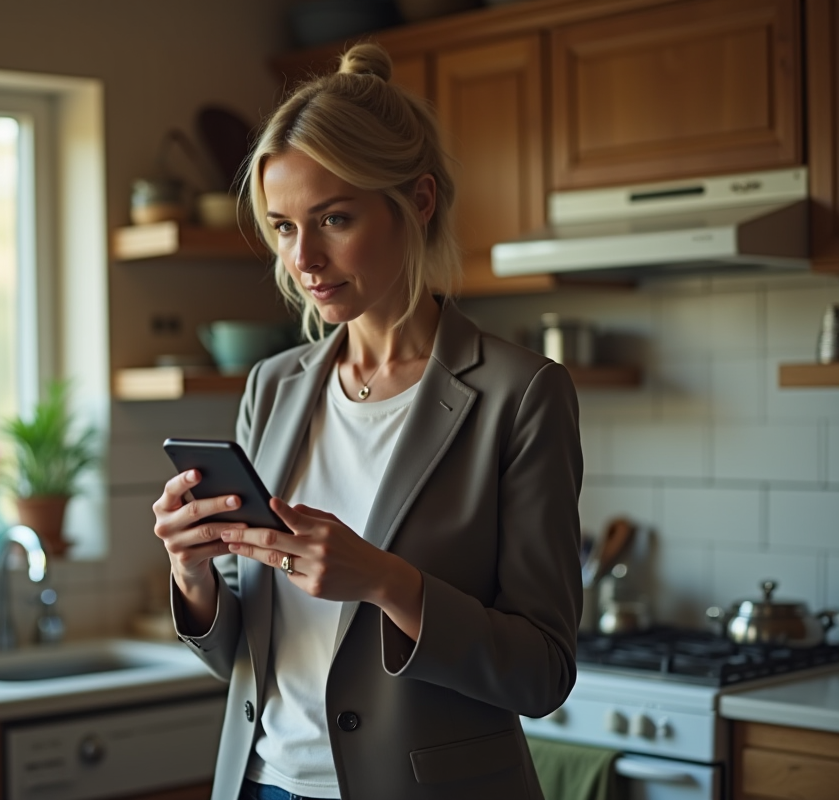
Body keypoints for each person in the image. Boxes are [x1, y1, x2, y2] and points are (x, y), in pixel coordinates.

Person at [152, 42, 582, 800]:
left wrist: (386, 581)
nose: (304, 258)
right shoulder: (273, 387)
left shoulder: (523, 394)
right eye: (283, 228)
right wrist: (192, 575)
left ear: (417, 202)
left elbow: (542, 671)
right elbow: (241, 656)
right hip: (260, 784)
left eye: (334, 219)